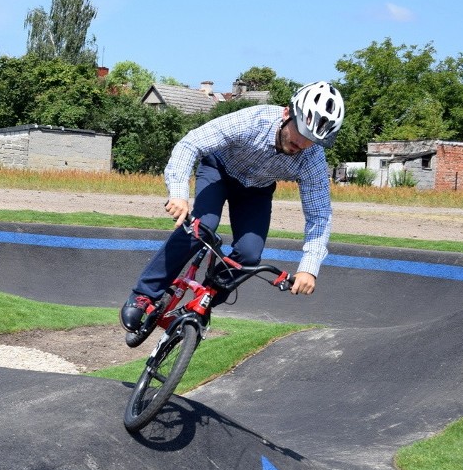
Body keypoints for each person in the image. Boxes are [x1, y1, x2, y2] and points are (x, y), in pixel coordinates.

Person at [120, 81, 345, 336]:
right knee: (201, 229)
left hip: (256, 190)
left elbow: (319, 215)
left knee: (249, 255)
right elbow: (190, 143)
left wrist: (309, 267)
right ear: (287, 113)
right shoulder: (252, 120)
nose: (302, 144)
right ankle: (144, 295)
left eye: (313, 140)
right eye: (302, 132)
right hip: (218, 170)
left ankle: (202, 304)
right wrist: (179, 194)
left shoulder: (311, 158)